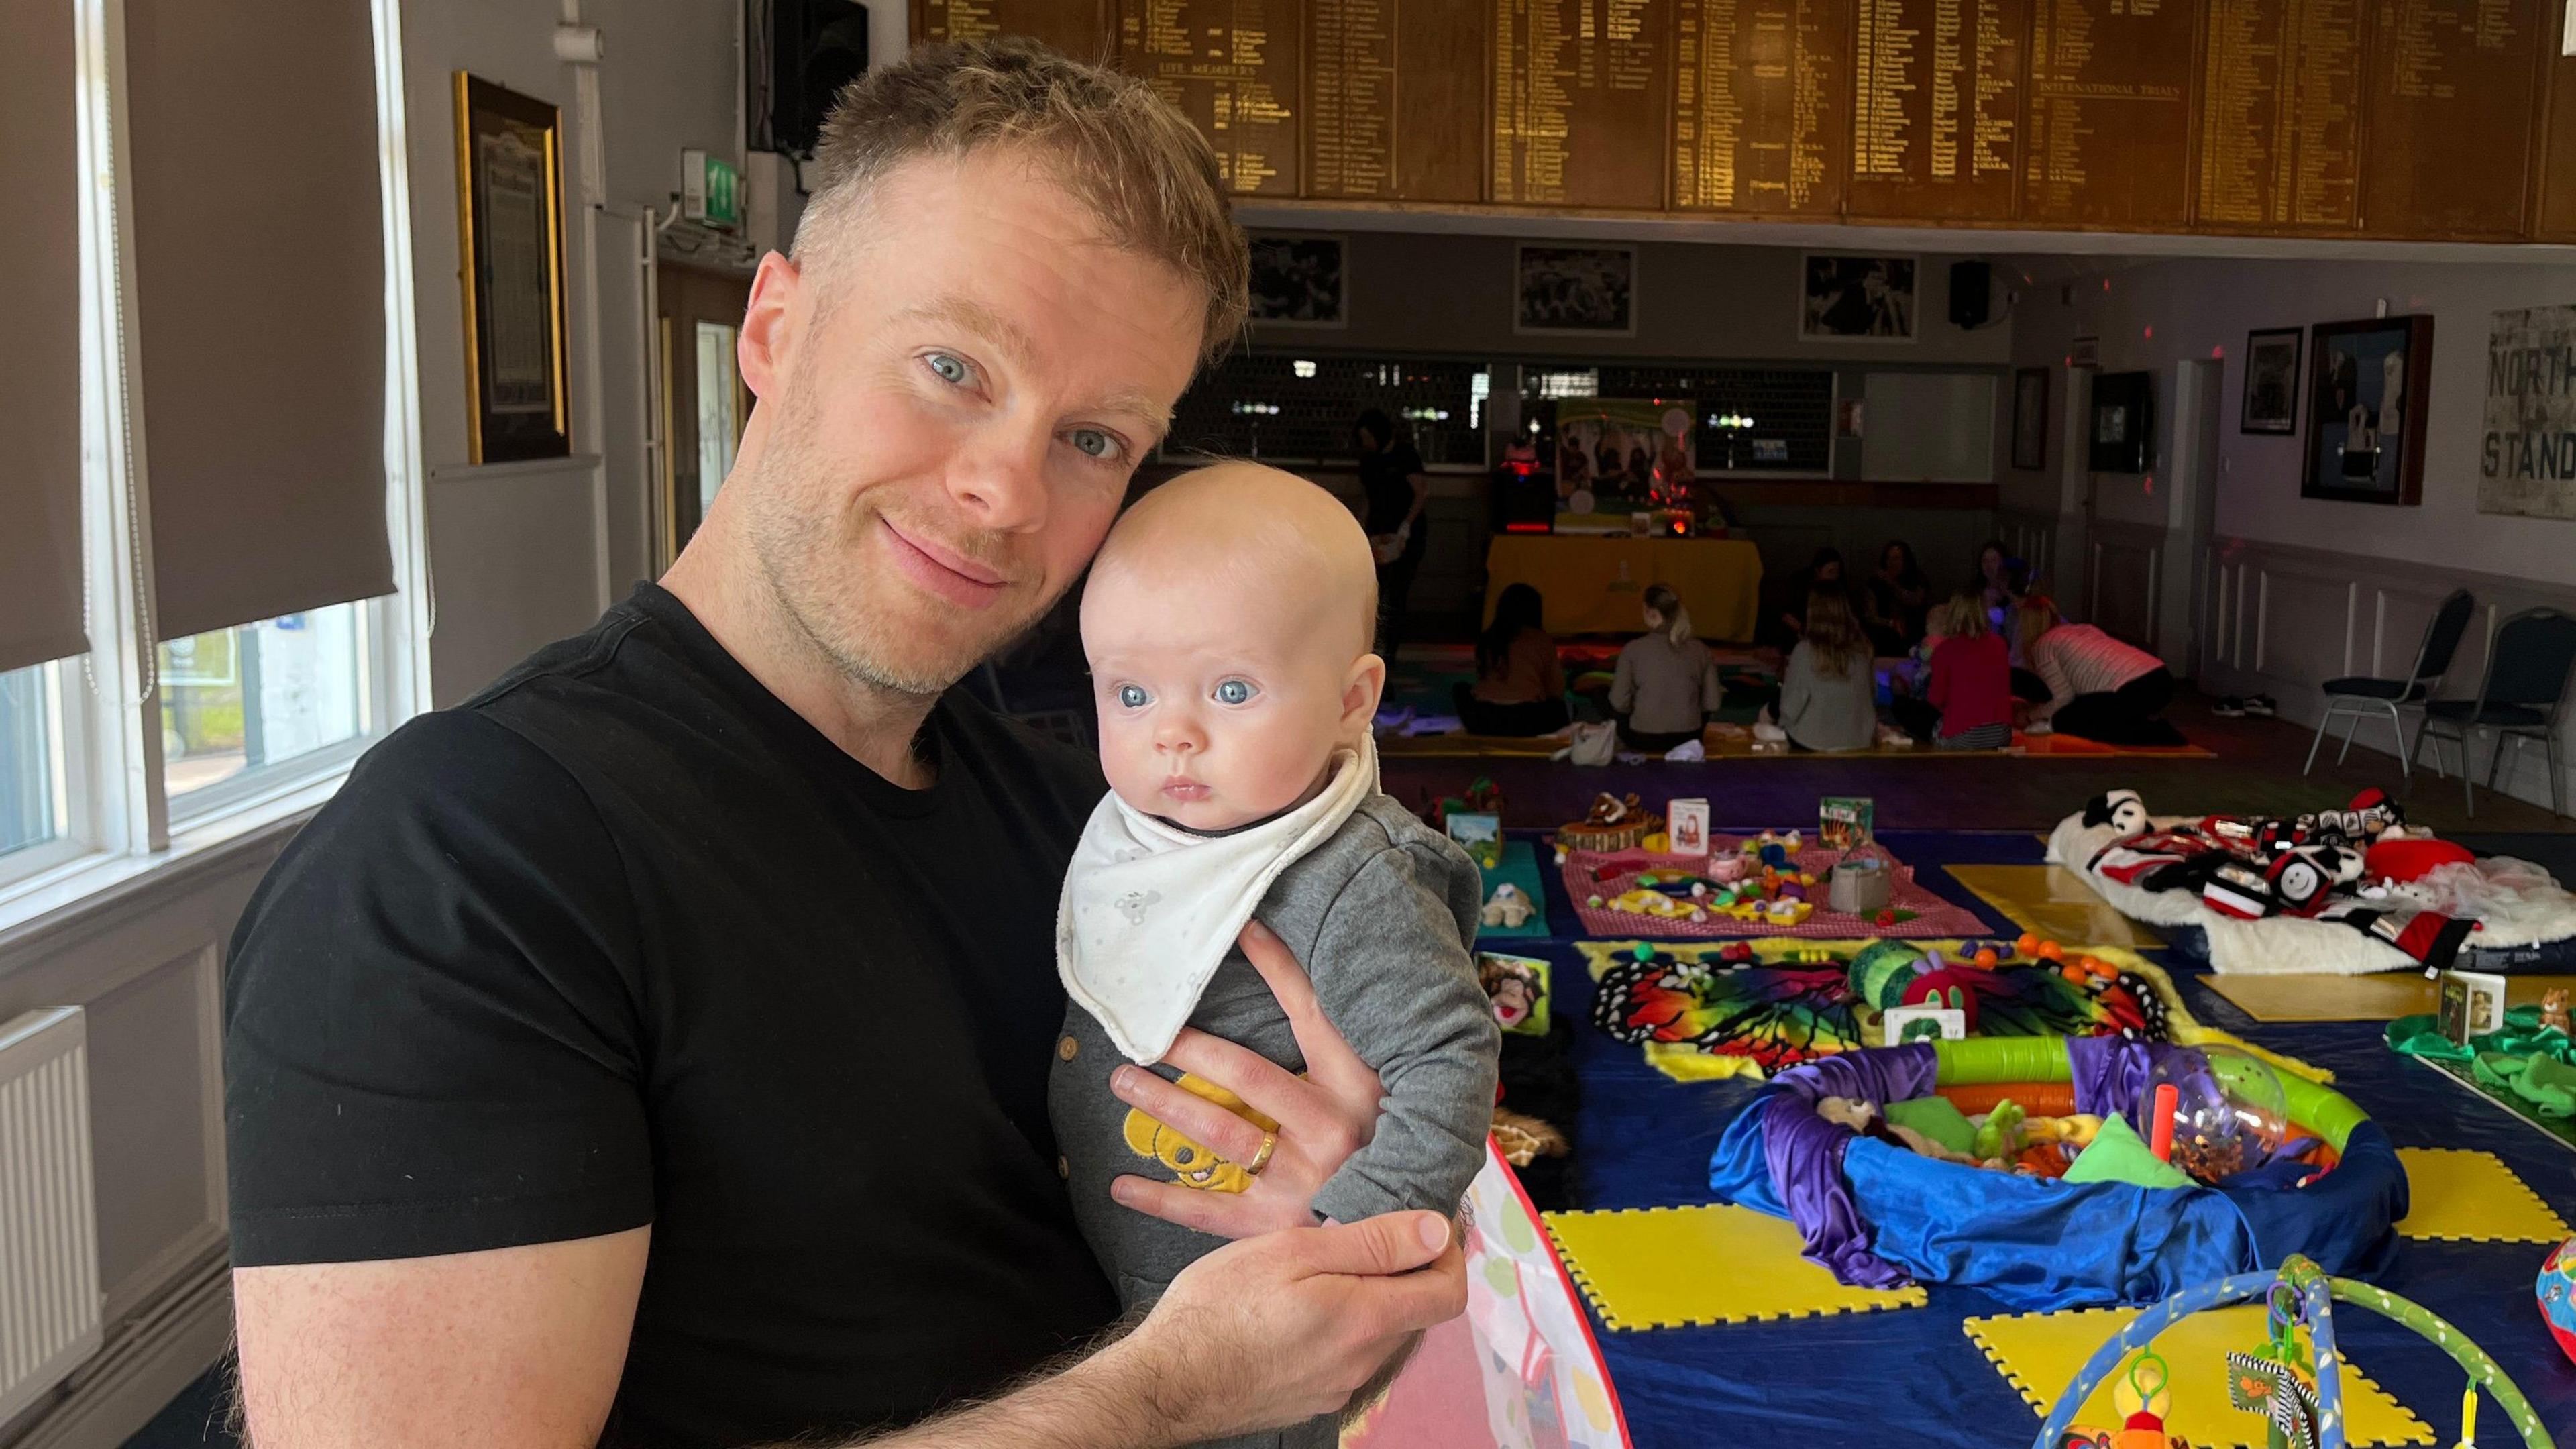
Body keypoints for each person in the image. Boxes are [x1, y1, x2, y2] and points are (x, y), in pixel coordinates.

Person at [222, 39, 1464, 1449]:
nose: (1002, 489)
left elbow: (1277, 1266)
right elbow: (1176, 1374)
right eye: (951, 366)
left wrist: (1329, 1229)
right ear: (774, 329)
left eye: (1097, 440)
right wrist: (1174, 1390)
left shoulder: (1092, 832)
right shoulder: (465, 867)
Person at [1057, 464, 1500, 1449]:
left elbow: (1450, 1055)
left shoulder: (1348, 878)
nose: (1172, 733)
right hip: (1117, 1303)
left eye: (1231, 688)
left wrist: (1346, 1230)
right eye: (1130, 692)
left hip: (1247, 1335)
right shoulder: (1147, 838)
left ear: (1353, 701)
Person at [2019, 595, 2185, 745]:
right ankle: (2147, 721)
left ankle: (2160, 734)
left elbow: (2063, 699)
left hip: (2131, 687)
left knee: (2068, 719)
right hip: (2161, 677)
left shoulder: (2044, 645)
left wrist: (2032, 716)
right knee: (2095, 709)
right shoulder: (2082, 629)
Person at [1609, 583, 1723, 752]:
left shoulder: (1633, 649)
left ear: (1648, 611)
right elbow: (1713, 703)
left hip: (1644, 738)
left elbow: (1619, 702)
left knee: (1603, 695)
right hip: (1689, 737)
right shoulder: (1700, 649)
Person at [1354, 408, 1430, 660]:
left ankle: (1391, 653)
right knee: (1376, 591)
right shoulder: (1369, 461)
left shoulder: (1406, 456)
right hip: (1378, 533)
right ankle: (1373, 646)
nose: (1366, 443)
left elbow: (1420, 492)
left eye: (1368, 437)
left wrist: (1406, 526)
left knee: (1397, 592)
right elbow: (1368, 497)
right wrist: (1361, 530)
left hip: (1406, 535)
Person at [1894, 590, 2011, 751]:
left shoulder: (1946, 649)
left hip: (1962, 736)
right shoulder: (2000, 645)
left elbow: (1936, 699)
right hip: (2001, 734)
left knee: (1902, 706)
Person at [1456, 582, 1568, 736]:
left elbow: (1482, 678)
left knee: (1460, 689)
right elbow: (1556, 689)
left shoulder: (1488, 638)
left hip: (1484, 718)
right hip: (1527, 718)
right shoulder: (1541, 640)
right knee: (1560, 709)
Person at [1777, 586, 1880, 752]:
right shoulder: (1862, 650)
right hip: (1859, 739)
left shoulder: (1805, 650)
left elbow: (1791, 705)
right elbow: (1871, 694)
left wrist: (1780, 727)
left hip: (1812, 740)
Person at [1766, 546, 1845, 651]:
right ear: (1818, 571)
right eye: (1830, 572)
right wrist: (1801, 628)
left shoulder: (1840, 591)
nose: (1834, 576)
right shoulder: (1799, 589)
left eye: (1837, 572)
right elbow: (1787, 616)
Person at [1862, 539, 1930, 654]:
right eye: (1888, 558)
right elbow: (1870, 615)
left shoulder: (1917, 579)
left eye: (1896, 559)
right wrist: (1891, 623)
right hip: (1883, 640)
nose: (1891, 563)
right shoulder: (1874, 583)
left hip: (1914, 639)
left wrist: (1893, 585)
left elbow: (1916, 601)